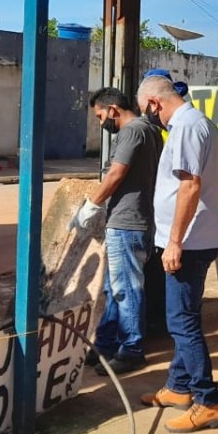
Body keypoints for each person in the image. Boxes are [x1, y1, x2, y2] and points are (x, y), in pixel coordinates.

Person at [135, 75, 218, 432]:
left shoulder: (188, 127)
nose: (151, 117)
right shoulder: (199, 125)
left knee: (182, 322)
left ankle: (208, 401)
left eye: (148, 111)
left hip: (188, 243)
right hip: (195, 239)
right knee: (184, 316)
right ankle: (178, 387)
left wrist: (174, 242)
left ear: (155, 104)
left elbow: (190, 185)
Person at [71, 87, 163, 375]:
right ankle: (106, 344)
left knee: (126, 288)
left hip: (128, 222)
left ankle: (132, 349)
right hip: (134, 221)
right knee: (115, 288)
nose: (102, 123)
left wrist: (91, 206)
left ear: (113, 109)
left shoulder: (133, 131)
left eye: (101, 116)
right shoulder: (149, 130)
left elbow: (116, 173)